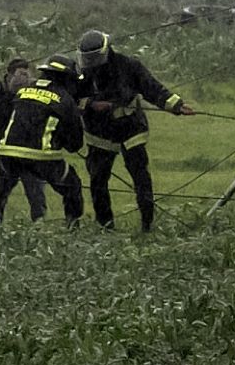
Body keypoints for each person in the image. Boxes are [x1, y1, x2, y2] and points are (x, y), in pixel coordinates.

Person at [75, 29, 196, 232]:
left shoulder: (128, 66)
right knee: (98, 181)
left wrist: (175, 105)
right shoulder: (79, 73)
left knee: (141, 178)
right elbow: (71, 97)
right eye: (87, 58)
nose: (91, 62)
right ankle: (106, 226)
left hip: (131, 129)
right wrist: (91, 104)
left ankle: (147, 225)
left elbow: (152, 88)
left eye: (95, 57)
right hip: (99, 133)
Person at [0, 54, 86, 226]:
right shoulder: (65, 99)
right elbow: (74, 144)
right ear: (67, 78)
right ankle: (72, 228)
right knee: (72, 185)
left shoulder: (25, 90)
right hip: (40, 158)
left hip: (7, 153)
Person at [0, 58, 39, 221]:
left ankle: (39, 228)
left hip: (29, 149)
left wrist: (28, 92)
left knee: (36, 194)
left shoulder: (35, 89)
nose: (23, 78)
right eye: (19, 74)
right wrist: (14, 93)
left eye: (26, 74)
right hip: (1, 146)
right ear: (9, 75)